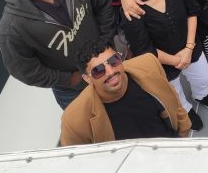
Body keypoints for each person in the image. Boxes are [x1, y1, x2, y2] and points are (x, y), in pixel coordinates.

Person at [0, 0, 116, 109]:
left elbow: (102, 3)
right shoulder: (12, 26)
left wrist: (105, 43)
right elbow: (23, 69)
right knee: (93, 129)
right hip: (73, 91)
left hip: (109, 67)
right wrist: (68, 79)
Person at [121, 0, 208, 132]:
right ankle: (186, 110)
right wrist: (176, 61)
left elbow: (192, 11)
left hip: (190, 48)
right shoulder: (132, 10)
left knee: (204, 77)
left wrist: (188, 48)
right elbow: (145, 49)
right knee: (174, 92)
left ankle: (201, 95)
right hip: (162, 63)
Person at [60, 39, 191, 145]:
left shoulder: (148, 63)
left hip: (170, 146)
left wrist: (184, 133)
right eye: (98, 70)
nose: (111, 72)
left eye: (114, 61)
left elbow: (172, 97)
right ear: (87, 79)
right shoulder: (74, 120)